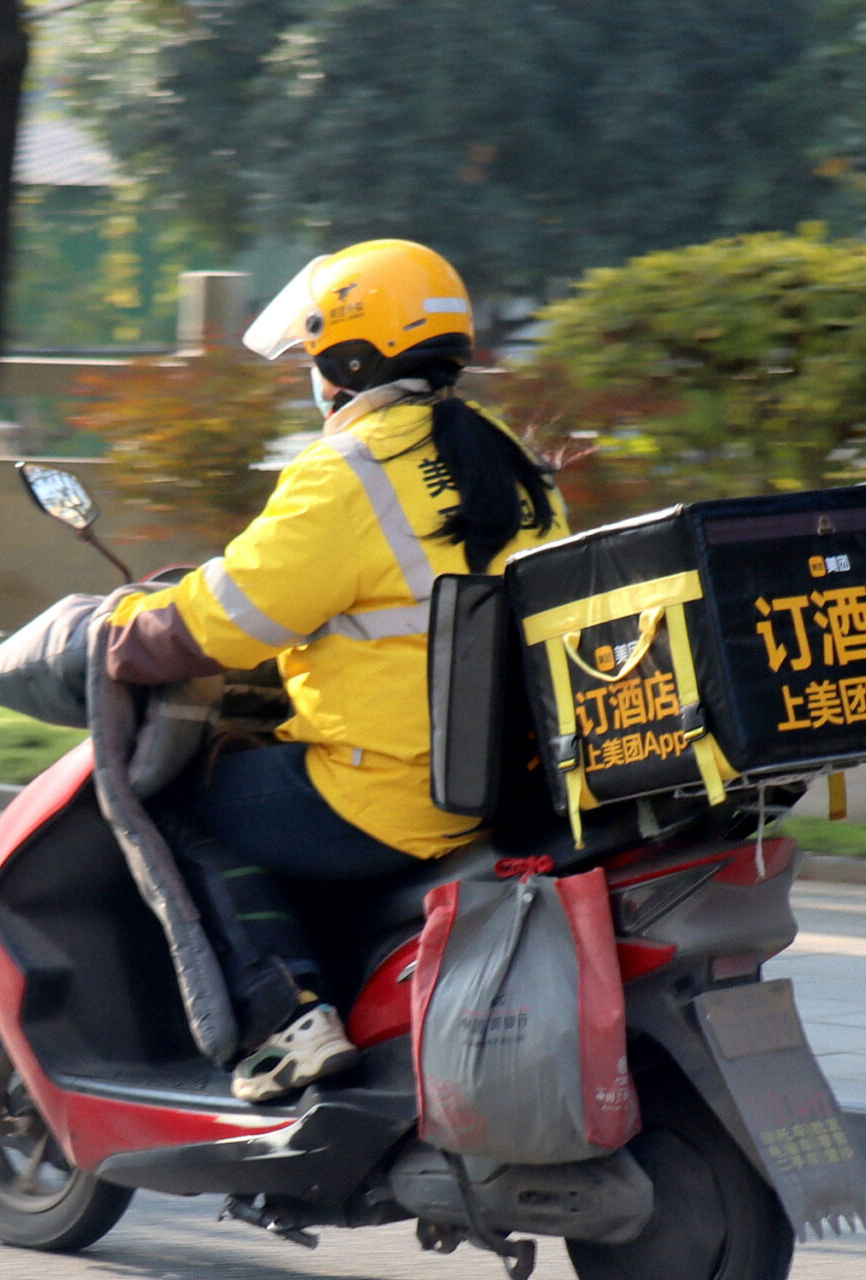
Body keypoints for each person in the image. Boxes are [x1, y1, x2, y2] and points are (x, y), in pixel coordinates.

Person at [103, 239, 571, 1102]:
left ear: (352, 354)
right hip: (501, 782)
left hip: (385, 794)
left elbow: (234, 616)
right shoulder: (502, 455)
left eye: (316, 352)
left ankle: (290, 1016)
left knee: (169, 802)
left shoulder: (351, 469)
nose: (311, 371)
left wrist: (124, 632)